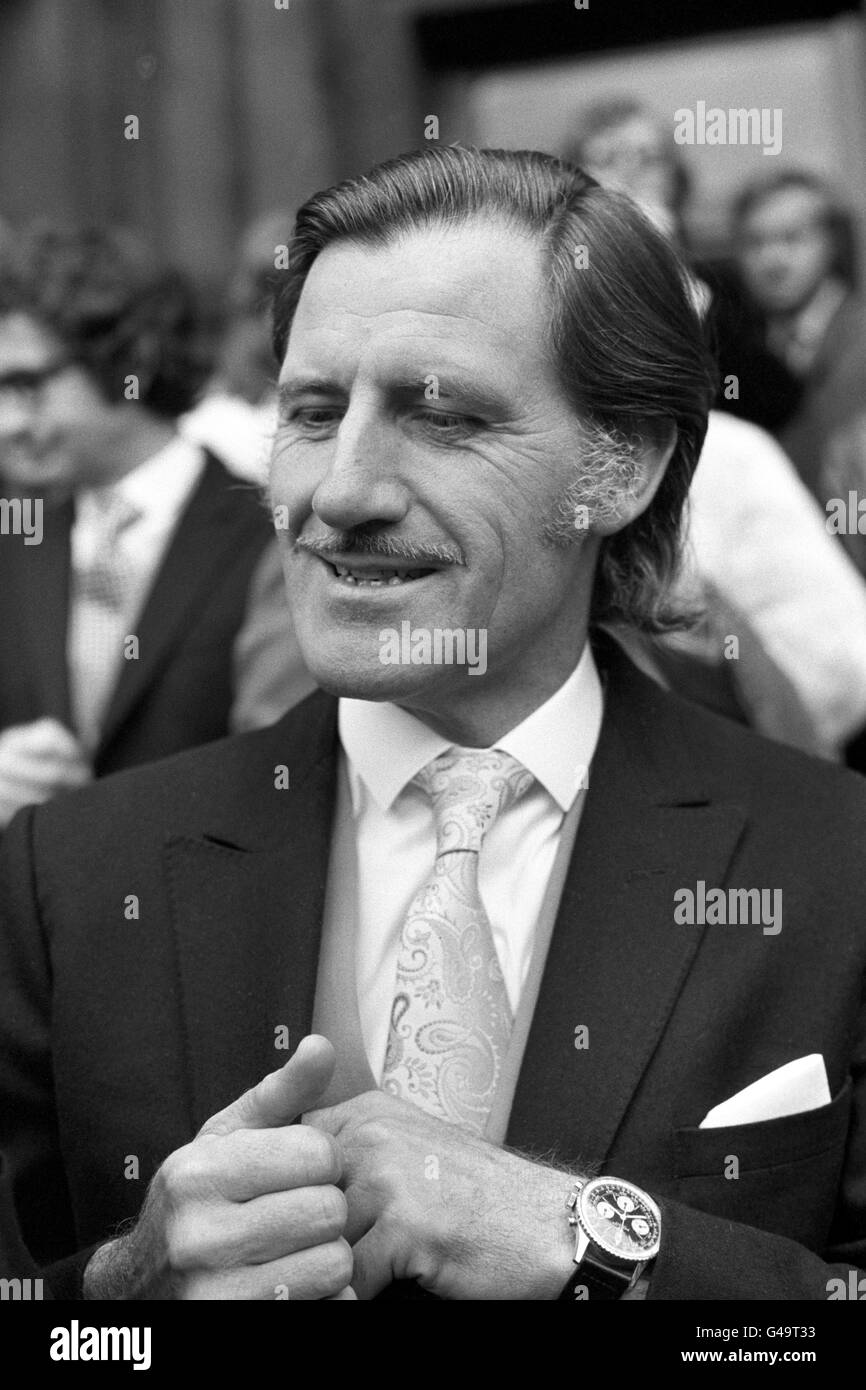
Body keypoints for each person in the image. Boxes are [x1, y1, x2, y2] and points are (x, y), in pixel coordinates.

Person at [1, 148, 865, 1302]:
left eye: (442, 416)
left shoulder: (831, 860)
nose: (339, 491)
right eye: (312, 412)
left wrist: (593, 1243)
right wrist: (122, 1289)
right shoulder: (66, 880)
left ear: (621, 468)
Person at [0, 225, 315, 827]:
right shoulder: (18, 531)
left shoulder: (271, 535)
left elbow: (284, 773)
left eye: (27, 386)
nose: (7, 424)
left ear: (130, 361)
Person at [730, 168, 866, 498]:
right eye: (754, 242)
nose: (772, 260)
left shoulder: (859, 338)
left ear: (832, 243)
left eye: (792, 238)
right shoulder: (736, 349)